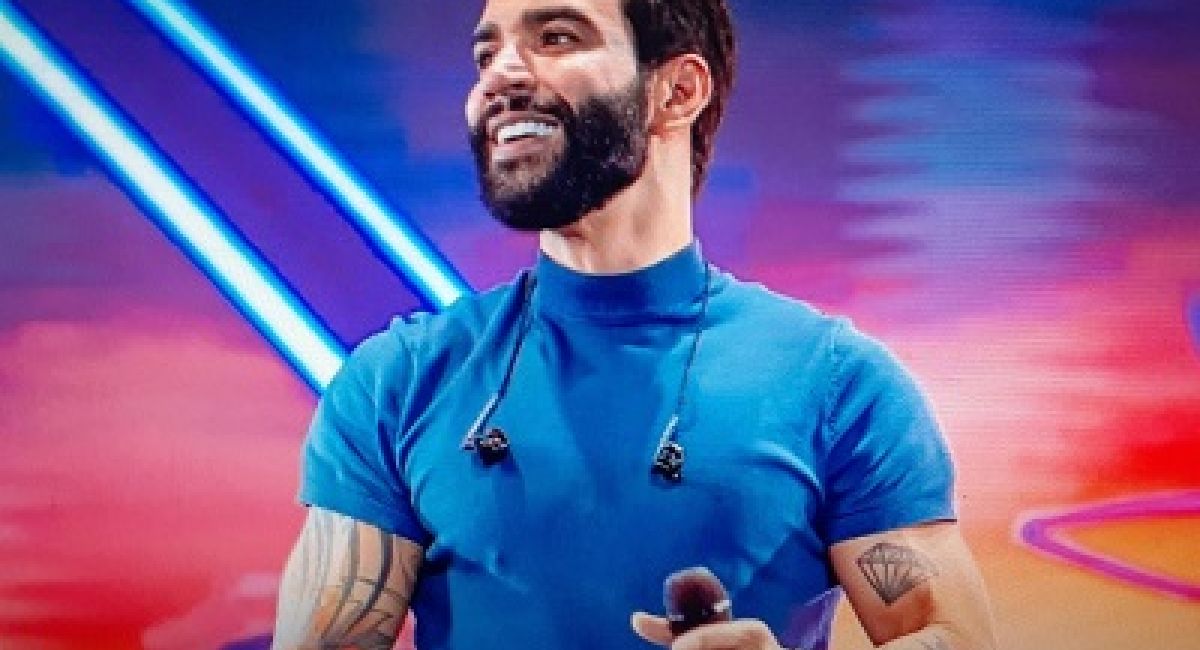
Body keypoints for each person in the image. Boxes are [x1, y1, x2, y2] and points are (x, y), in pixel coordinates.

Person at [271, 0, 998, 648]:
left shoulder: (838, 386)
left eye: (557, 37)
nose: (501, 75)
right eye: (486, 53)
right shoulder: (396, 382)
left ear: (677, 91)